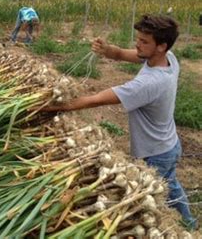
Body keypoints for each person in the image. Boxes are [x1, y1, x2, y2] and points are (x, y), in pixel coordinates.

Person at [40, 14, 197, 230]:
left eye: (144, 42)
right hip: (169, 143)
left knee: (156, 201)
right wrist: (108, 50)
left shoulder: (148, 84)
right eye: (138, 38)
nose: (137, 44)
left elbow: (94, 100)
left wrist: (52, 105)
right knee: (172, 185)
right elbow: (124, 54)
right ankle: (190, 223)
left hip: (155, 152)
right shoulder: (169, 58)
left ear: (161, 46)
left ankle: (173, 230)